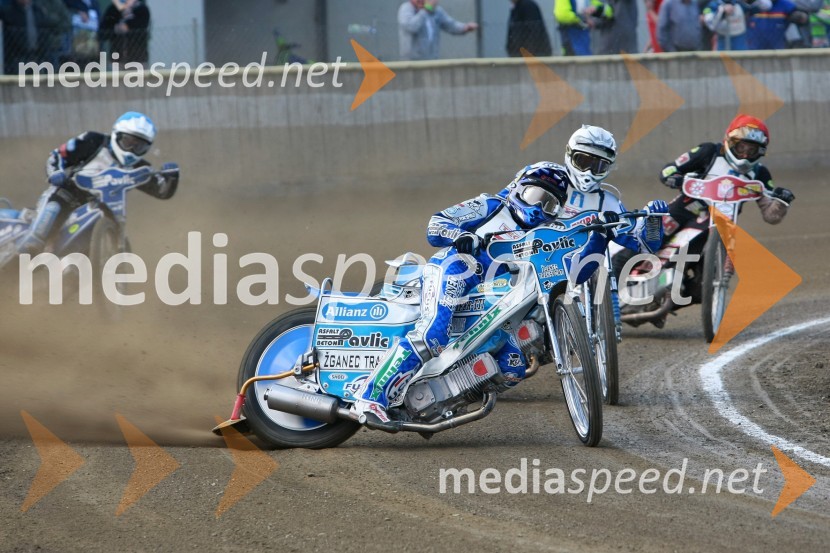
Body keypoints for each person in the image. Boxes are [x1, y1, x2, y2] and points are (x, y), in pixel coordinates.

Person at [17, 112, 179, 254]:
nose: (131, 150)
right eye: (128, 142)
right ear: (116, 135)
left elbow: (161, 191)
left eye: (139, 147)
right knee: (47, 219)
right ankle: (21, 253)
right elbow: (57, 156)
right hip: (67, 195)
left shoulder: (140, 168)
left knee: (87, 250)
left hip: (100, 209)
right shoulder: (93, 140)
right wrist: (55, 173)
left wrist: (172, 176)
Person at [658, 114, 794, 278]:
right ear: (730, 142)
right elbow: (670, 169)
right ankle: (629, 264)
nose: (745, 155)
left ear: (760, 152)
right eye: (741, 148)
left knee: (713, 269)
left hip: (722, 223)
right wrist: (674, 178)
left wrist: (781, 202)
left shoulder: (760, 173)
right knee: (652, 233)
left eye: (751, 150)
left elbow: (771, 216)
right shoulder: (709, 152)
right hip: (686, 207)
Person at [0, 0, 71, 74]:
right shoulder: (7, 11)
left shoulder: (39, 10)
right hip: (17, 57)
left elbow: (56, 24)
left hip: (40, 55)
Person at [398, 0, 478, 61]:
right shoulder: (406, 8)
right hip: (412, 61)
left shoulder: (435, 11)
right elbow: (411, 27)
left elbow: (450, 25)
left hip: (432, 60)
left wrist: (465, 27)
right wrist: (425, 10)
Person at [99, 0, 150, 65]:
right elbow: (103, 31)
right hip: (117, 58)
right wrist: (117, 27)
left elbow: (135, 27)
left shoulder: (141, 9)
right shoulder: (113, 9)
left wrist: (126, 23)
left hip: (138, 59)